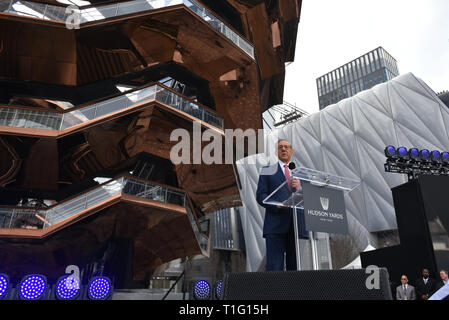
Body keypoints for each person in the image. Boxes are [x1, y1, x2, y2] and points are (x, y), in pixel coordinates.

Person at [256, 139, 308, 271]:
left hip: (297, 226)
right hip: (275, 225)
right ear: (276, 152)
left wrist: (301, 187)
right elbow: (261, 196)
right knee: (275, 268)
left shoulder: (301, 173)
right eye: (280, 147)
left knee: (295, 268)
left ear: (292, 151)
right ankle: (275, 292)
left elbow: (310, 197)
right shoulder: (267, 170)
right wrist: (277, 205)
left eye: (286, 147)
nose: (284, 149)